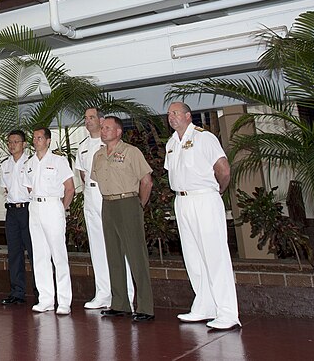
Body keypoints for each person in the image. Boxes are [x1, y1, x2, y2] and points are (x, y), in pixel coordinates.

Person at [165, 102, 241, 331]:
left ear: (188, 116)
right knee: (193, 256)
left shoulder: (204, 138)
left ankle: (227, 312)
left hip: (204, 198)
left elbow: (224, 170)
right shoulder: (171, 143)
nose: (171, 117)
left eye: (175, 113)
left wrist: (217, 191)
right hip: (182, 200)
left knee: (214, 255)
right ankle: (205, 305)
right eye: (169, 114)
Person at [91, 116, 155, 323]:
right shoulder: (98, 155)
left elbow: (147, 181)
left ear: (118, 132)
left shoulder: (131, 152)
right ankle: (120, 303)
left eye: (107, 128)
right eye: (102, 128)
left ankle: (145, 306)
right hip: (107, 204)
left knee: (136, 256)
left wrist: (138, 205)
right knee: (114, 255)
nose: (103, 130)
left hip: (127, 202)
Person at [76, 107, 135, 309]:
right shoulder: (83, 146)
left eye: (92, 117)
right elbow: (83, 174)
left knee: (118, 244)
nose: (88, 121)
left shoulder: (111, 143)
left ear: (102, 121)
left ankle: (126, 293)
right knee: (97, 246)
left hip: (109, 194)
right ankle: (103, 293)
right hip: (90, 196)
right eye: (85, 118)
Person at [25, 127, 75, 315]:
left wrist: (60, 209)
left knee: (58, 256)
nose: (36, 140)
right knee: (39, 256)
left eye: (40, 137)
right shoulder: (29, 163)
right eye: (34, 137)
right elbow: (29, 188)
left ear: (48, 141)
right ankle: (45, 299)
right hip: (35, 207)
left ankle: (64, 301)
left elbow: (70, 188)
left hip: (53, 206)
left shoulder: (58, 161)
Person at [0, 130, 32, 305]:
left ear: (24, 144)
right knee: (14, 253)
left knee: (34, 253)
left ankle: (42, 293)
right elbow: (5, 189)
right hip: (11, 212)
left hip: (28, 210)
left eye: (16, 141)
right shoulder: (5, 165)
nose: (12, 145)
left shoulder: (32, 162)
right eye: (10, 142)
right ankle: (17, 292)